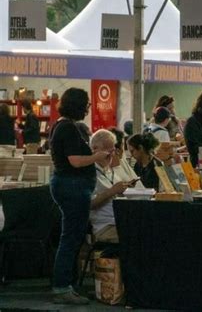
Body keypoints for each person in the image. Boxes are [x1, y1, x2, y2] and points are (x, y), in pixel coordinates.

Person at [49, 88, 110, 305]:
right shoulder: (67, 128)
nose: (88, 107)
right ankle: (62, 286)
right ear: (77, 104)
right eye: (86, 103)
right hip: (72, 188)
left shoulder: (65, 127)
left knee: (73, 237)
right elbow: (75, 160)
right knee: (71, 238)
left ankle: (67, 285)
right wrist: (96, 157)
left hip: (72, 187)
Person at [89, 129, 144, 243]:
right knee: (143, 236)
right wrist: (112, 191)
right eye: (108, 152)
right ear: (94, 149)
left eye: (113, 151)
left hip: (121, 220)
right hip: (106, 226)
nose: (111, 156)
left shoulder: (109, 170)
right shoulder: (87, 173)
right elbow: (87, 205)